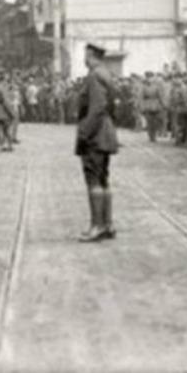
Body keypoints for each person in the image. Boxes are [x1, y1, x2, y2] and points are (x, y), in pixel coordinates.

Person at [75, 43, 119, 242]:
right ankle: (107, 224)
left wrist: (84, 132)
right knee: (103, 179)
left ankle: (97, 226)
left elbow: (97, 107)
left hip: (95, 133)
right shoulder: (106, 73)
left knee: (93, 179)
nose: (84, 57)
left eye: (85, 53)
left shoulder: (94, 76)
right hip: (106, 131)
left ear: (90, 54)